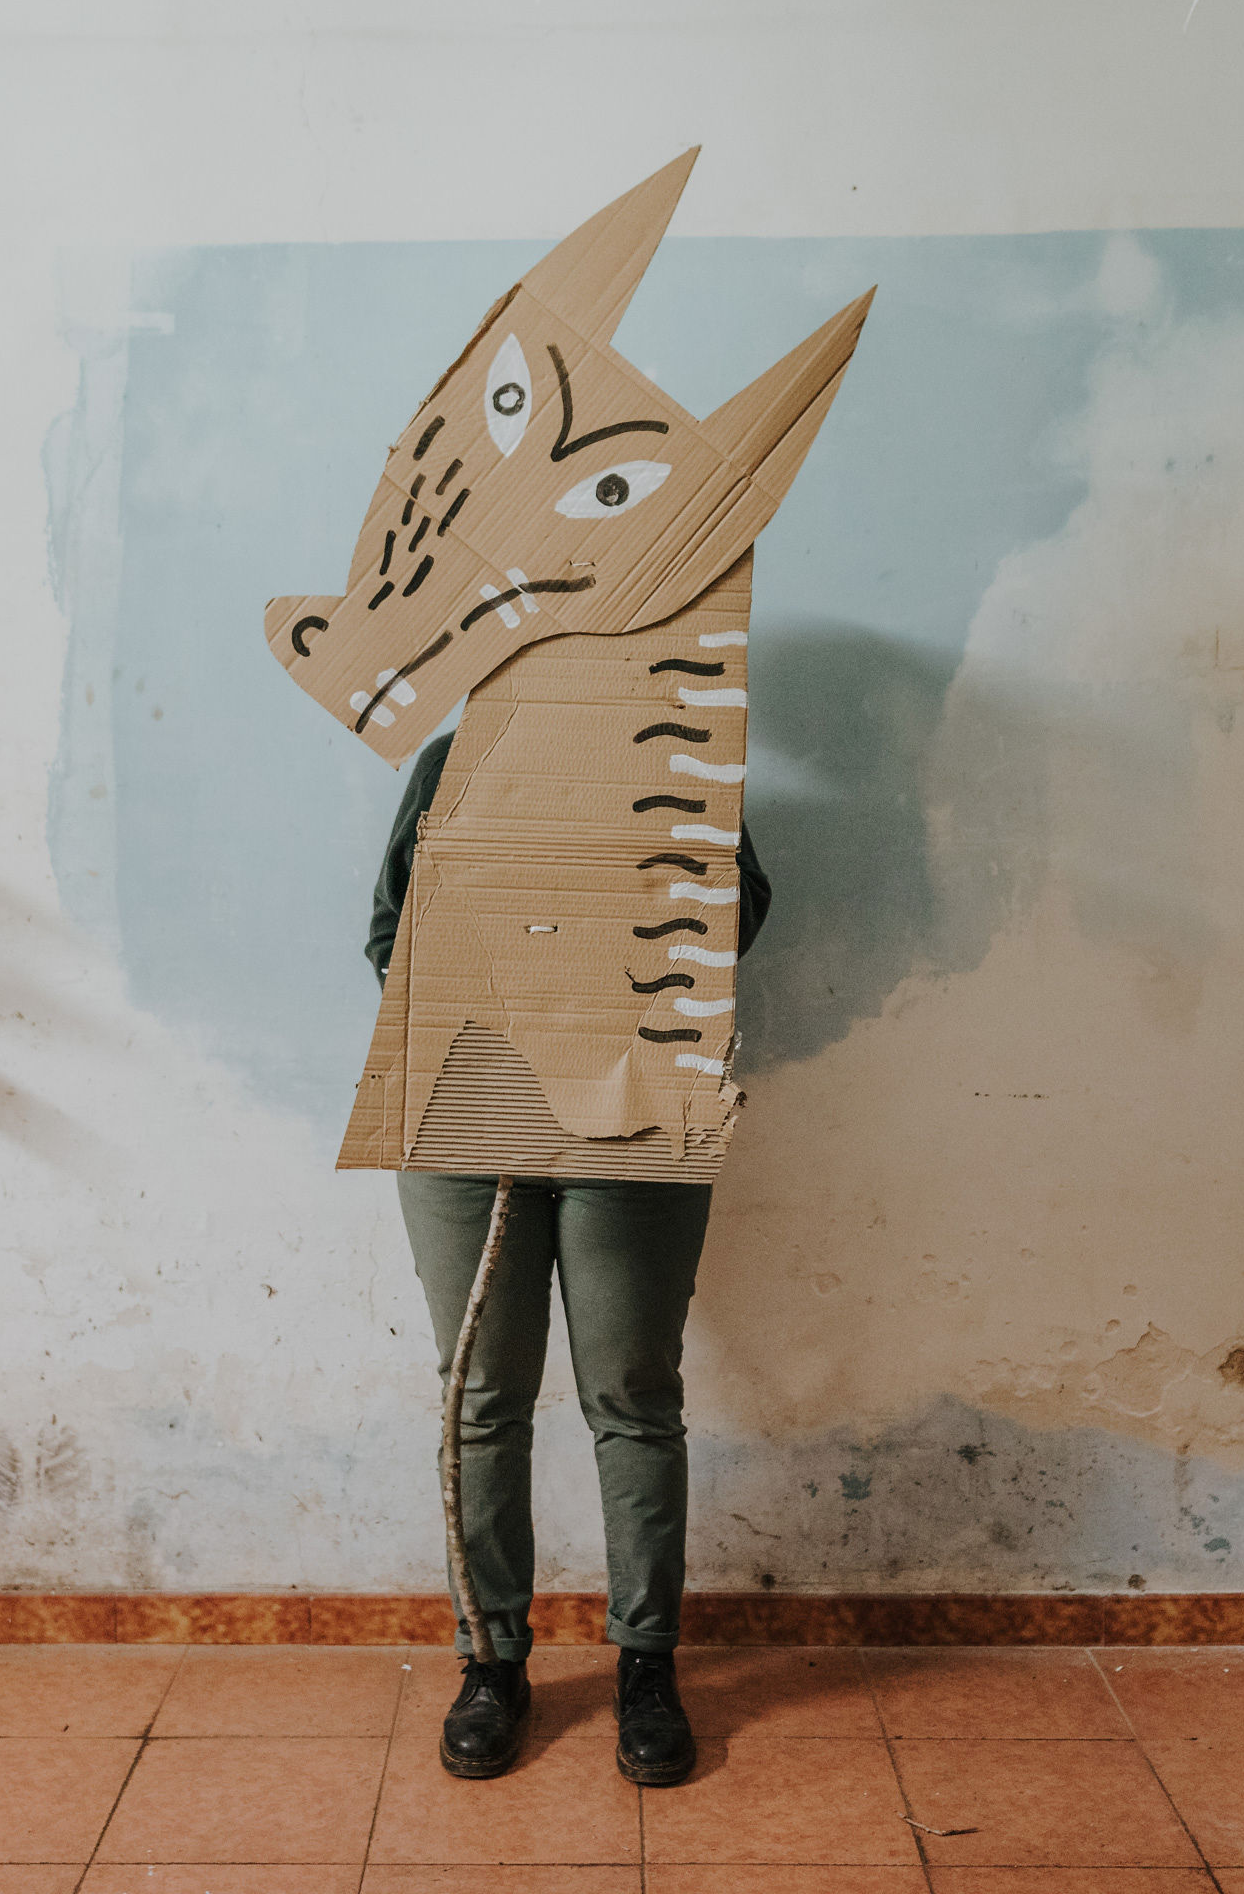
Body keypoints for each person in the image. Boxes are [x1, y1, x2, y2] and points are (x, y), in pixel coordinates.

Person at [367, 729, 772, 1786]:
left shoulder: (682, 748)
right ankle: (490, 1664)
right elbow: (387, 935)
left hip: (636, 1110)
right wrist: (498, 997)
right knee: (479, 1398)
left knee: (633, 1395)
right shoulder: (456, 759)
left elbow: (738, 919)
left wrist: (642, 900)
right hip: (467, 1108)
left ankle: (646, 1665)